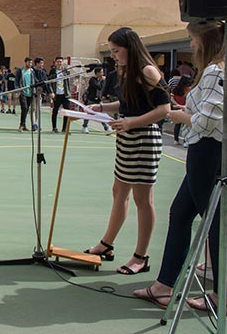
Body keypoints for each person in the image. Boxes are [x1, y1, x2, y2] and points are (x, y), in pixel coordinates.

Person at [134, 21, 227, 316]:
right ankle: (166, 285)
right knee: (181, 213)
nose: (192, 46)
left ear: (207, 41)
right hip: (224, 151)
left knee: (215, 224)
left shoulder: (216, 71)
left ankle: (223, 298)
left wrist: (180, 116)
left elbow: (207, 121)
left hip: (209, 152)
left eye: (193, 39)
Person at [82, 28, 170, 277]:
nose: (114, 56)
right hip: (127, 139)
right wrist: (100, 107)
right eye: (111, 52)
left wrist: (131, 123)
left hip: (143, 139)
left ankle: (141, 256)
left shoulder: (148, 71)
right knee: (119, 191)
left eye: (116, 51)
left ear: (130, 48)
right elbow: (129, 102)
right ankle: (107, 243)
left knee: (143, 200)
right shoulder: (127, 72)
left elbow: (164, 109)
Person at [81, 67, 111, 134]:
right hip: (91, 99)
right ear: (97, 73)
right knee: (88, 114)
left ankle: (106, 127)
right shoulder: (92, 80)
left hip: (98, 100)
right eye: (101, 72)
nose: (102, 74)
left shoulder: (102, 80)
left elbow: (103, 88)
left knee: (101, 114)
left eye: (102, 72)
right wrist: (102, 80)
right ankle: (84, 127)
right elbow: (99, 87)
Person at [48, 56, 71, 133]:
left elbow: (67, 81)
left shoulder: (65, 70)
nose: (59, 63)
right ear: (55, 62)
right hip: (57, 94)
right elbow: (49, 82)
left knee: (67, 111)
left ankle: (64, 128)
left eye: (60, 61)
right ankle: (54, 127)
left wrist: (68, 92)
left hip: (65, 94)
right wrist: (51, 92)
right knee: (55, 111)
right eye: (58, 61)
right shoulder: (53, 71)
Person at [16, 57, 34, 132]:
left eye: (31, 63)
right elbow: (17, 80)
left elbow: (34, 80)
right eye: (29, 62)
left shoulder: (32, 71)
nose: (30, 64)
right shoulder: (20, 70)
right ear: (25, 62)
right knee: (24, 108)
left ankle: (24, 125)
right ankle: (21, 125)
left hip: (30, 92)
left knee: (26, 110)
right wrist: (18, 89)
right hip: (23, 92)